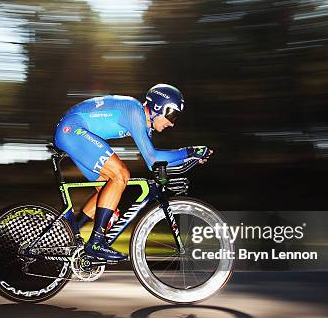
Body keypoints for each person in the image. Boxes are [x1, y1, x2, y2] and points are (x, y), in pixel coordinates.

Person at [54, 84, 212, 261]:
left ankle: (70, 232)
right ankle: (96, 242)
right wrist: (189, 151)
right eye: (172, 115)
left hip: (73, 133)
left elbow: (155, 163)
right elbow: (152, 157)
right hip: (72, 130)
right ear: (158, 107)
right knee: (121, 175)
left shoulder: (144, 124)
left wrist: (190, 159)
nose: (172, 122)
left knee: (108, 190)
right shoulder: (135, 111)